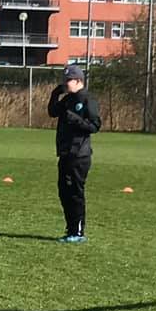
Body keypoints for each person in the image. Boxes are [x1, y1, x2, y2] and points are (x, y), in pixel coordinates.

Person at [47, 63, 102, 242]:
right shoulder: (68, 99)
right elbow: (52, 112)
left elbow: (94, 126)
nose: (65, 83)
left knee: (75, 193)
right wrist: (55, 94)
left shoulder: (87, 100)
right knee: (64, 192)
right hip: (65, 153)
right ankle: (70, 229)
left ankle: (78, 232)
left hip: (80, 155)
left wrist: (75, 119)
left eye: (68, 80)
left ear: (78, 81)